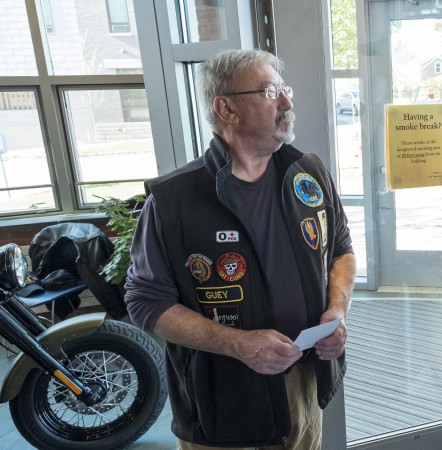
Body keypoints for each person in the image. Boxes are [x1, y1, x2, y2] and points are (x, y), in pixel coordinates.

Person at [124, 49, 356, 449]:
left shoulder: (310, 172)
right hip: (222, 401)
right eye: (270, 92)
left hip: (302, 382)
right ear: (226, 108)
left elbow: (340, 251)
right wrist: (239, 344)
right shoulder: (173, 200)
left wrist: (336, 311)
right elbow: (145, 300)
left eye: (284, 90)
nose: (286, 102)